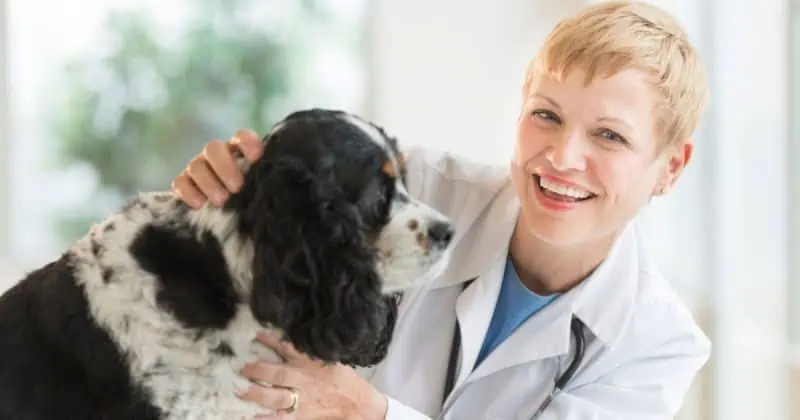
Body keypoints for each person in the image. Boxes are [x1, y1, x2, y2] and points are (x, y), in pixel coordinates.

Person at [170, 1, 711, 419]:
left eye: (609, 136)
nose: (563, 157)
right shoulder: (417, 189)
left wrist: (369, 412)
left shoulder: (657, 346)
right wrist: (223, 201)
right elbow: (248, 282)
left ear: (671, 167)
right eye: (546, 115)